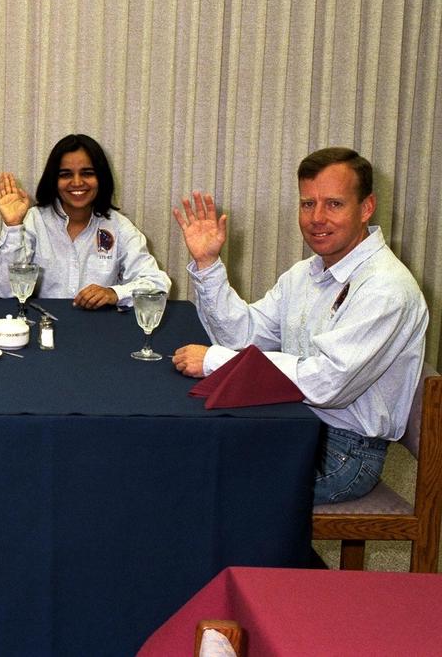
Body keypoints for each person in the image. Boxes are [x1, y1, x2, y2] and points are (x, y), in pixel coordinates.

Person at [171, 147, 428, 505]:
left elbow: (326, 384)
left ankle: (258, 560)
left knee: (204, 485)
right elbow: (242, 337)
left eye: (334, 204)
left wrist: (217, 361)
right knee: (181, 452)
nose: (317, 217)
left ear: (366, 207)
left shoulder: (386, 288)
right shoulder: (306, 274)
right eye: (308, 204)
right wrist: (208, 264)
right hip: (293, 422)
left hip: (344, 452)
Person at [0, 133, 170, 307]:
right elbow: (3, 291)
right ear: (53, 180)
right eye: (65, 174)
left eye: (87, 173)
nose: (77, 182)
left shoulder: (119, 226)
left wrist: (114, 294)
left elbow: (157, 284)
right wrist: (13, 226)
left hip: (99, 329)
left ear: (101, 177)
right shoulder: (33, 220)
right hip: (41, 327)